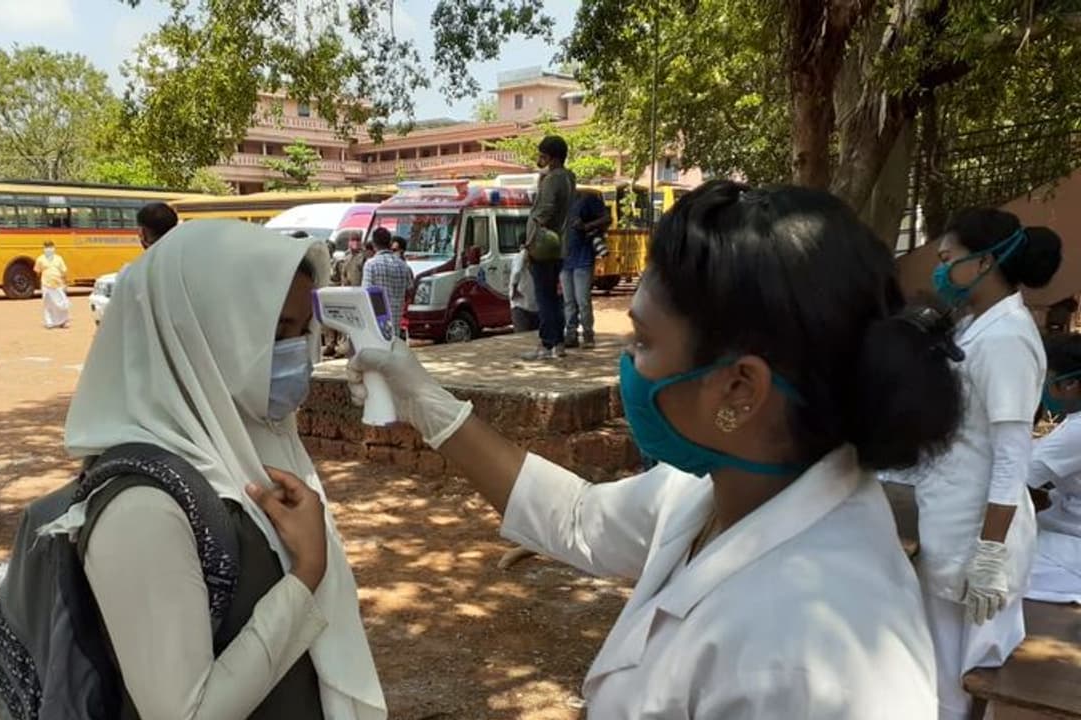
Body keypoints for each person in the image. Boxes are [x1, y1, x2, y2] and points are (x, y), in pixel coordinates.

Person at [349, 180, 960, 717]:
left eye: (642, 342)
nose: (626, 366)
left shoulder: (822, 657)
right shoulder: (718, 489)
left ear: (740, 388)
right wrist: (423, 399)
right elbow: (576, 517)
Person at [55, 220, 384, 719]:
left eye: (299, 331)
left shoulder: (248, 446)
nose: (295, 354)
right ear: (199, 335)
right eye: (273, 333)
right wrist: (307, 574)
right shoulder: (142, 506)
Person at [913, 210, 1061, 718]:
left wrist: (991, 553)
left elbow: (1011, 457)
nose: (940, 270)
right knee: (944, 677)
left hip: (978, 540)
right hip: (952, 523)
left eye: (947, 259)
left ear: (985, 262)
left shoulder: (1007, 339)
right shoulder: (978, 325)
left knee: (964, 681)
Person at [1028, 331, 1081, 604]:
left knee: (1003, 562)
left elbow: (1017, 482)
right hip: (1069, 517)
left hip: (1075, 541)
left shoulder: (1077, 430)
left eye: (1047, 381)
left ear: (1070, 384)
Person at [523, 135, 576, 361]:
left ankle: (547, 344)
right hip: (561, 244)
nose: (539, 158)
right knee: (554, 296)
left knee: (543, 296)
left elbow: (544, 211)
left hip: (544, 244)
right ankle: (559, 342)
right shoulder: (569, 177)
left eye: (542, 154)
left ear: (551, 157)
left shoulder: (552, 179)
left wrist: (529, 243)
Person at [563, 190, 610, 349]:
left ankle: (588, 334)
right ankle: (571, 334)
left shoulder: (586, 199)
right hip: (565, 259)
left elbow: (607, 218)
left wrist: (586, 226)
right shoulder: (559, 203)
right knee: (569, 300)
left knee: (582, 299)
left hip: (583, 257)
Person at [361, 227, 413, 339]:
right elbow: (409, 291)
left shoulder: (371, 264)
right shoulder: (403, 266)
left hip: (378, 322)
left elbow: (366, 293)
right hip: (396, 322)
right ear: (389, 243)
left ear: (374, 244)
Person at [35, 240, 70, 329]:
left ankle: (63, 321)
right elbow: (37, 272)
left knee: (61, 303)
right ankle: (49, 322)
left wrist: (65, 283)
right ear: (44, 248)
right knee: (48, 304)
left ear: (53, 248)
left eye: (50, 247)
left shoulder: (59, 258)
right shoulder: (40, 259)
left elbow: (64, 271)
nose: (49, 249)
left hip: (58, 284)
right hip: (46, 285)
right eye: (47, 247)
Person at [508, 242, 539, 333]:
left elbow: (516, 272)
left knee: (522, 337)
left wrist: (514, 288)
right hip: (531, 305)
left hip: (521, 304)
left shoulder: (522, 256)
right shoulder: (531, 255)